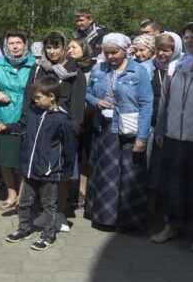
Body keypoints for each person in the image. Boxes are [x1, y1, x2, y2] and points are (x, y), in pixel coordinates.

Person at [84, 33, 153, 231]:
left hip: (129, 130)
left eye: (114, 52)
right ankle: (105, 218)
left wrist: (142, 137)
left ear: (125, 50)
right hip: (103, 130)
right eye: (107, 53)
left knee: (129, 175)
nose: (111, 56)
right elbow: (88, 92)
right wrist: (96, 101)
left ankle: (128, 221)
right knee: (107, 175)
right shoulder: (98, 69)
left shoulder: (138, 72)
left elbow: (147, 104)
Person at [0, 77, 77, 251]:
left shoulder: (62, 119)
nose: (35, 100)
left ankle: (48, 235)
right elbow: (21, 126)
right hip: (29, 168)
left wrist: (67, 168)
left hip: (50, 171)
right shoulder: (33, 113)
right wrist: (7, 127)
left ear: (51, 97)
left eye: (39, 97)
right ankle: (24, 228)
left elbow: (70, 147)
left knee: (48, 204)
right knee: (24, 202)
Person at [20, 32, 85, 232]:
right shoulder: (38, 68)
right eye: (49, 47)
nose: (52, 51)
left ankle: (60, 213)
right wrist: (25, 121)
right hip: (39, 127)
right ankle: (44, 211)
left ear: (64, 48)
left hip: (61, 127)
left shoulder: (74, 70)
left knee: (61, 173)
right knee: (40, 170)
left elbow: (77, 102)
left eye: (56, 47)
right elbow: (28, 96)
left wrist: (74, 129)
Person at [151, 22, 193, 249]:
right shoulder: (175, 66)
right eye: (186, 36)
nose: (189, 40)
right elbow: (165, 102)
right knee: (173, 184)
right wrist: (160, 128)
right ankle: (171, 226)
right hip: (172, 136)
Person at [0, 29, 35, 210]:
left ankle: (23, 196)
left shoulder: (33, 64)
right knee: (6, 158)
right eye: (11, 43)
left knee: (24, 159)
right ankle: (11, 195)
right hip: (4, 115)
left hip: (27, 115)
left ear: (24, 45)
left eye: (18, 43)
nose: (15, 46)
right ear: (6, 45)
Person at [67, 38, 97, 208]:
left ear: (84, 49)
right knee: (71, 154)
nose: (70, 50)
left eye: (74, 47)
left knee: (85, 157)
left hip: (89, 117)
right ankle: (70, 189)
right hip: (71, 117)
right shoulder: (68, 67)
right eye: (68, 47)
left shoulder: (95, 67)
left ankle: (83, 192)